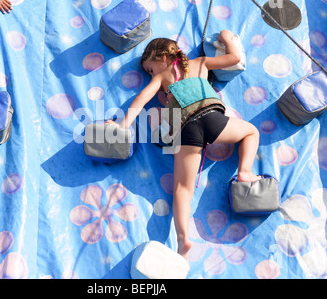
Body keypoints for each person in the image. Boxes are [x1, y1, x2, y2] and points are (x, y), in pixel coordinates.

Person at [106, 30, 260, 259]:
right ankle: (245, 172)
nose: (151, 76)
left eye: (150, 69)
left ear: (164, 58)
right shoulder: (201, 63)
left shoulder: (161, 78)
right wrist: (227, 38)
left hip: (187, 129)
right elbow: (234, 58)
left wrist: (123, 124)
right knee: (251, 131)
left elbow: (140, 100)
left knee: (182, 190)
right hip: (213, 119)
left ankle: (182, 240)